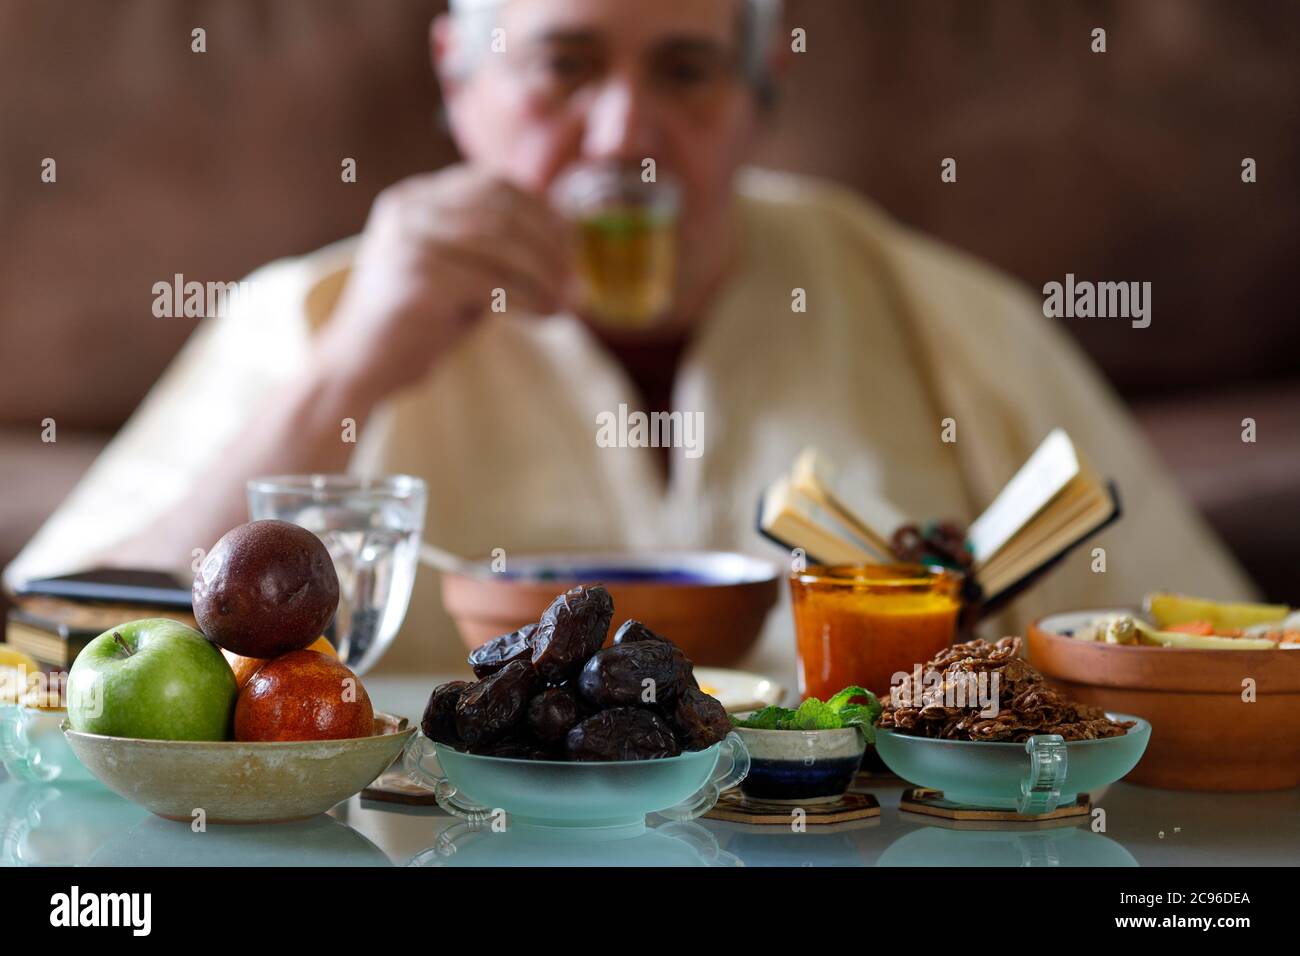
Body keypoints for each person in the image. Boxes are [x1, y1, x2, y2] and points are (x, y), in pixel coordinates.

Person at [4, 0, 1253, 682]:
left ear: (758, 105)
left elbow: (1206, 646)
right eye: (565, 63)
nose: (622, 132)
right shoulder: (319, 309)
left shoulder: (933, 306)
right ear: (457, 74)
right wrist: (350, 369)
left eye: (687, 71)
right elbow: (56, 650)